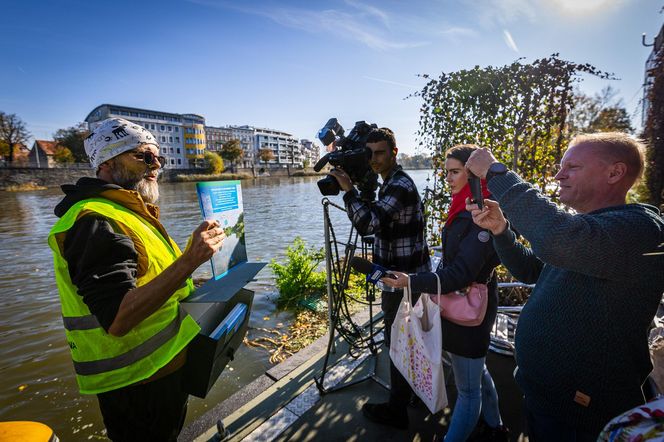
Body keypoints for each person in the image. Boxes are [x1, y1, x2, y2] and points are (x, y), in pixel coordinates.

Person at [463, 132, 664, 441]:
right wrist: (501, 230)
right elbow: (530, 269)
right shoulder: (590, 230)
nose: (559, 175)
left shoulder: (640, 229)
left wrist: (496, 172)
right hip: (545, 398)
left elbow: (559, 240)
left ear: (615, 172)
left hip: (581, 412)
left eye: (572, 167)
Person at [47, 117, 225, 441]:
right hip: (136, 387)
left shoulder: (129, 211)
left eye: (159, 157)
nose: (156, 164)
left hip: (163, 371)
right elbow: (117, 317)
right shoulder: (94, 220)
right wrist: (189, 261)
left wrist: (196, 275)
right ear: (108, 162)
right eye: (144, 156)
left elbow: (152, 278)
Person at [382, 144, 509, 441]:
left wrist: (411, 281)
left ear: (475, 176)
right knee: (477, 371)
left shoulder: (480, 215)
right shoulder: (466, 208)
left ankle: (488, 427)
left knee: (467, 391)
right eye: (446, 172)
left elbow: (461, 274)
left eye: (454, 172)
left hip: (471, 308)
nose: (448, 179)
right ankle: (495, 426)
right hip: (462, 305)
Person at [328, 127, 430, 430]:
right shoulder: (390, 183)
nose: (374, 159)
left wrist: (348, 191)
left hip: (403, 283)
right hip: (404, 278)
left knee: (397, 343)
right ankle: (412, 393)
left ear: (394, 153)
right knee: (407, 340)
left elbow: (369, 224)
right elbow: (380, 219)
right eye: (369, 153)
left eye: (380, 152)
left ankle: (396, 409)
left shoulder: (399, 184)